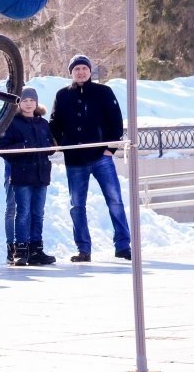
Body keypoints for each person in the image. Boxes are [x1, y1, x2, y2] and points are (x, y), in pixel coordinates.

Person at [49, 54, 131, 262]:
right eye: (77, 69)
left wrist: (109, 149)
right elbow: (54, 123)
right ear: (71, 72)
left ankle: (123, 245)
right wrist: (59, 143)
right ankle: (83, 249)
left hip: (100, 157)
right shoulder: (62, 95)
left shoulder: (104, 92)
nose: (81, 72)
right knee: (77, 205)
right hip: (75, 160)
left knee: (115, 200)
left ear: (90, 70)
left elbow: (115, 121)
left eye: (84, 68)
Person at [0, 87, 57, 266]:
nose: (28, 103)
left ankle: (36, 249)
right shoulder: (13, 123)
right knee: (23, 213)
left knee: (38, 213)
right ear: (19, 103)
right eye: (25, 100)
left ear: (36, 103)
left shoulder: (42, 123)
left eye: (32, 100)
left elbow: (50, 145)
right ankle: (20, 250)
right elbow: (3, 150)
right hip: (22, 175)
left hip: (41, 174)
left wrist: (49, 147)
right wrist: (23, 146)